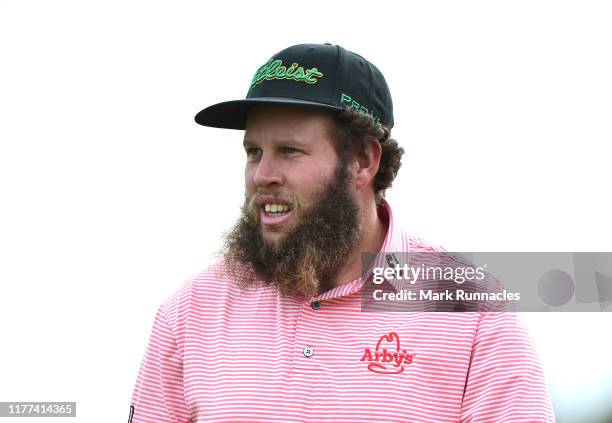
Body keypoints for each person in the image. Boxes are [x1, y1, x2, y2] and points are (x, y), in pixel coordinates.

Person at [128, 43, 555, 422]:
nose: (263, 175)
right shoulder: (189, 314)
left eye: (290, 151)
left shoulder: (471, 311)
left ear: (363, 162)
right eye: (254, 151)